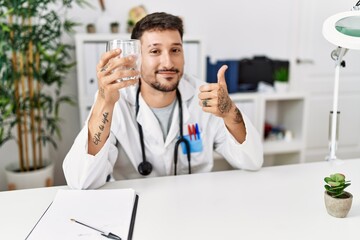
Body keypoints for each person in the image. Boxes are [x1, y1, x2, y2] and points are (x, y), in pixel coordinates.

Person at [63, 12, 263, 189]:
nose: (168, 62)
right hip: (136, 208)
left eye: (175, 50)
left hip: (196, 207)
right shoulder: (114, 99)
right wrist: (105, 103)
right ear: (137, 57)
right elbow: (81, 180)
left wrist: (230, 113)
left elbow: (252, 161)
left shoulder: (205, 96)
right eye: (155, 51)